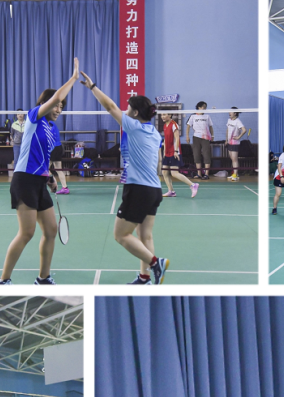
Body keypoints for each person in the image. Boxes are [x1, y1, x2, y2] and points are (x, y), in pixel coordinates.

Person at [0, 62, 80, 287]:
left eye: (62, 107)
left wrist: (50, 177)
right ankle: (3, 280)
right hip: (24, 180)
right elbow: (55, 98)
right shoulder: (34, 117)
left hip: (39, 181)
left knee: (51, 230)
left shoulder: (53, 129)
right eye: (56, 105)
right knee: (27, 233)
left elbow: (45, 156)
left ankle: (43, 278)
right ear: (45, 103)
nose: (59, 109)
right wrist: (73, 78)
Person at [80, 73, 168, 284]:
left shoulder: (133, 126)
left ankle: (155, 263)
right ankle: (145, 278)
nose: (125, 111)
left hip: (138, 189)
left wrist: (92, 87)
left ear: (135, 113)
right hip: (154, 190)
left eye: (128, 108)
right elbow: (157, 160)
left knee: (121, 235)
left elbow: (110, 106)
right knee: (145, 236)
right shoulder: (155, 133)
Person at [160, 113, 199, 198]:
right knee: (164, 172)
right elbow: (166, 139)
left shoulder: (174, 125)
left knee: (174, 173)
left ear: (170, 115)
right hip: (167, 152)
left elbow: (177, 138)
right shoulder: (165, 125)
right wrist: (164, 151)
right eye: (161, 115)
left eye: (164, 115)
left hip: (174, 152)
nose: (162, 116)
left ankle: (193, 185)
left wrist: (176, 151)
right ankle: (171, 191)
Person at [187, 102, 214, 179]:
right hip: (196, 137)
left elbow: (210, 127)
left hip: (206, 138)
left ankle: (206, 174)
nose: (204, 108)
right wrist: (187, 136)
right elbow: (188, 126)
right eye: (203, 107)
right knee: (196, 155)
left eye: (205, 107)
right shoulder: (193, 116)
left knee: (206, 155)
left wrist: (212, 135)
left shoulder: (207, 116)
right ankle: (199, 174)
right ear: (199, 107)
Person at [225, 109, 248, 180]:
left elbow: (244, 130)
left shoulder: (238, 121)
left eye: (231, 112)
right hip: (229, 142)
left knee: (234, 159)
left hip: (235, 143)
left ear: (235, 113)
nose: (229, 113)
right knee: (232, 158)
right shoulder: (229, 120)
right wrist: (226, 140)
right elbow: (227, 130)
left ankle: (235, 175)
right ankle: (235, 173)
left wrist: (238, 137)